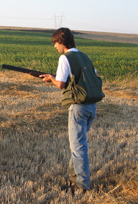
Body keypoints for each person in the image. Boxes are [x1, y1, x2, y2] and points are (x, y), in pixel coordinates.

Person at [40, 27, 98, 192]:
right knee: (78, 144)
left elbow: (61, 84)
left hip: (78, 107)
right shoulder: (84, 56)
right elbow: (94, 77)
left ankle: (82, 185)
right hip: (92, 106)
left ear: (62, 42)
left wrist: (51, 78)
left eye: (55, 43)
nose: (55, 47)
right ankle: (74, 178)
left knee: (78, 146)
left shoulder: (65, 58)